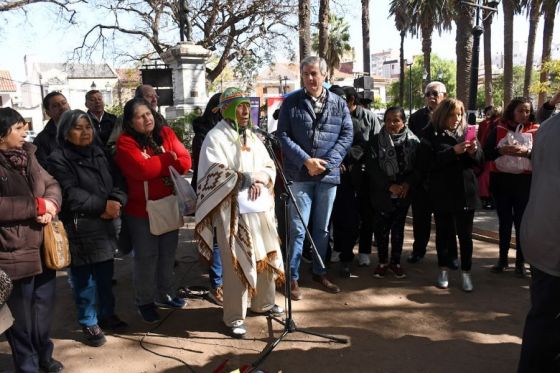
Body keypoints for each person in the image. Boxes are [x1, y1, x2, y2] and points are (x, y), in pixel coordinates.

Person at [194, 87, 285, 338]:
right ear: (225, 110)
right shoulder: (215, 137)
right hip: (232, 210)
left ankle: (263, 303)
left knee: (264, 254)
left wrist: (263, 177)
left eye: (247, 105)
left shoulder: (253, 136)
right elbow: (212, 174)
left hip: (259, 207)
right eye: (239, 105)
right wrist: (246, 179)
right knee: (236, 262)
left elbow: (268, 164)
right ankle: (234, 315)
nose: (245, 111)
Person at [48, 110, 128, 347]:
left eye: (88, 127)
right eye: (78, 128)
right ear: (65, 132)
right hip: (79, 226)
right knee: (84, 280)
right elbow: (70, 193)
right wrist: (103, 206)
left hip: (105, 224)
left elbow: (119, 180)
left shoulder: (100, 151)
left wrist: (116, 201)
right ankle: (88, 321)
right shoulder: (58, 158)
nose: (85, 132)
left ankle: (107, 313)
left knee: (105, 275)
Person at [277, 56, 353, 299]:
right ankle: (293, 276)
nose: (311, 78)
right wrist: (306, 161)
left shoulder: (338, 103)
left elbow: (346, 134)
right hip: (299, 175)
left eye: (315, 73)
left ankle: (320, 271)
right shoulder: (291, 102)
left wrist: (328, 164)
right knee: (298, 229)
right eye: (307, 74)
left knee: (321, 229)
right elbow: (283, 136)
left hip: (327, 177)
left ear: (323, 76)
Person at [114, 98, 191, 323]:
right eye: (140, 116)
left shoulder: (165, 133)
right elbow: (141, 170)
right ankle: (144, 301)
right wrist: (168, 159)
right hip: (141, 211)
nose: (147, 119)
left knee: (167, 254)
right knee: (146, 258)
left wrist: (160, 164)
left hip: (167, 205)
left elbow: (185, 161)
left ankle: (166, 293)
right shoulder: (125, 143)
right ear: (130, 122)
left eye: (148, 113)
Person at [0, 107, 63, 373]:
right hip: (12, 253)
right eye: (17, 128)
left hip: (43, 249)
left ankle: (44, 356)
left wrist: (50, 205)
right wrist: (35, 206)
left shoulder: (29, 156)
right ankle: (27, 366)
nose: (24, 131)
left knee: (43, 312)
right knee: (20, 320)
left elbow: (53, 184)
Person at [416, 98, 483, 292]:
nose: (456, 118)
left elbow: (481, 161)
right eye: (452, 114)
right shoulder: (430, 134)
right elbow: (425, 164)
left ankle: (466, 272)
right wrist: (452, 152)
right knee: (444, 234)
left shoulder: (467, 133)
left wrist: (474, 152)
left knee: (465, 236)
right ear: (442, 115)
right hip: (442, 192)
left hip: (465, 192)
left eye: (459, 114)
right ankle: (443, 269)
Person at [517, 112, 560, 373]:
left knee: (542, 317)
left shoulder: (548, 126)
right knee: (545, 320)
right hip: (551, 237)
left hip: (541, 234)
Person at [483, 97, 538, 276]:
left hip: (525, 183)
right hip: (501, 182)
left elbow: (545, 156)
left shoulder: (537, 130)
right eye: (520, 110)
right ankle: (502, 259)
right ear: (512, 111)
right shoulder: (499, 128)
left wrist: (528, 153)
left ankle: (521, 263)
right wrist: (500, 150)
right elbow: (485, 153)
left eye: (527, 111)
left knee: (522, 223)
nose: (524, 114)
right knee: (505, 222)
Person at [407, 82, 458, 268]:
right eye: (428, 93)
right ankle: (418, 251)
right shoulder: (416, 118)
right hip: (422, 177)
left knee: (447, 222)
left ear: (444, 95)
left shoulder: (454, 114)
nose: (431, 97)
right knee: (420, 219)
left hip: (444, 178)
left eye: (435, 93)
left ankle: (451, 255)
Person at [366, 106, 420, 279]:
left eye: (396, 120)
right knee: (381, 229)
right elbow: (372, 168)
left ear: (403, 121)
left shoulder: (413, 142)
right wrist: (389, 186)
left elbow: (419, 168)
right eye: (388, 120)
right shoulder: (375, 141)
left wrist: (407, 184)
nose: (391, 123)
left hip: (404, 193)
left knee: (398, 229)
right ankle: (382, 262)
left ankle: (395, 262)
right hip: (382, 193)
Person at [329, 85, 376, 277]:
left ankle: (346, 259)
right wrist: (332, 162)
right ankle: (335, 249)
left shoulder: (355, 124)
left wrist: (344, 161)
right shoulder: (323, 122)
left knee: (350, 219)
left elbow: (360, 147)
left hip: (350, 178)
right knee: (334, 219)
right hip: (328, 176)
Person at [190, 92, 224, 306]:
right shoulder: (205, 135)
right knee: (216, 239)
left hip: (232, 192)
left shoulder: (234, 131)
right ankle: (216, 284)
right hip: (209, 191)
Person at [33, 91, 70, 169]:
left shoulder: (85, 129)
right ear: (48, 113)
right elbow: (43, 169)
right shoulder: (41, 140)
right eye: (55, 106)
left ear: (69, 105)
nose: (62, 107)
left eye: (64, 103)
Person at [477, 105, 502, 210]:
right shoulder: (498, 124)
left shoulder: (487, 123)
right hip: (496, 154)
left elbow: (481, 139)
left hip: (489, 154)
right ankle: (491, 199)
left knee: (485, 176)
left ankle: (486, 199)